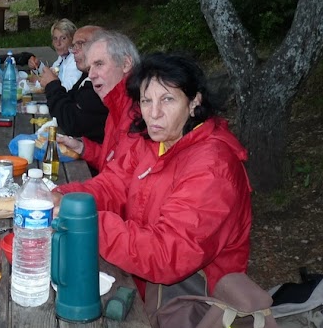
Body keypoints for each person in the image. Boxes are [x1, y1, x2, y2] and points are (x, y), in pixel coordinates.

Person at [54, 52, 252, 298]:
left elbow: (166, 255)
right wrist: (60, 196)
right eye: (146, 101)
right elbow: (112, 185)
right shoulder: (152, 142)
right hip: (140, 283)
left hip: (194, 308)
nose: (154, 113)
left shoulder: (213, 168)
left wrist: (84, 221)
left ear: (194, 102)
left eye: (167, 99)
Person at [57, 30, 140, 172]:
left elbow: (119, 182)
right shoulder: (116, 105)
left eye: (99, 64)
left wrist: (62, 192)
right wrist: (82, 147)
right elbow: (111, 160)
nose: (91, 75)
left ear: (126, 64)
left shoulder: (140, 112)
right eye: (90, 68)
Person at [37, 25, 109, 142]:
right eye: (74, 46)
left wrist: (52, 85)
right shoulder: (86, 75)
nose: (74, 51)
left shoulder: (100, 83)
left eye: (80, 44)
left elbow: (72, 123)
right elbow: (69, 101)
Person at [29, 18, 83, 91]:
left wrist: (39, 82)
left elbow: (68, 87)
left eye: (63, 38)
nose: (58, 43)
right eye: (55, 39)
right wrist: (38, 66)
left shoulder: (76, 61)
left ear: (72, 40)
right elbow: (52, 72)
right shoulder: (62, 59)